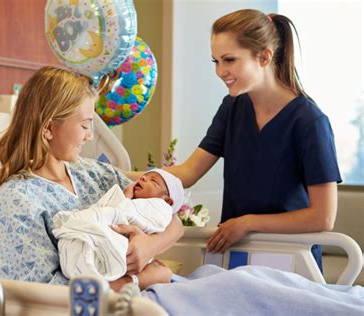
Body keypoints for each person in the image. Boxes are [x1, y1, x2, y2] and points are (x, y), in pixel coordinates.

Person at [127, 9, 341, 270]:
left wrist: (248, 223)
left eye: (229, 60)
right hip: (238, 254)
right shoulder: (233, 108)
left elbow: (323, 217)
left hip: (290, 258)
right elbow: (188, 172)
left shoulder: (309, 122)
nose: (220, 71)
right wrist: (113, 174)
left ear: (264, 57)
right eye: (215, 61)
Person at [0, 66, 181, 290]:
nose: (90, 135)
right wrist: (140, 279)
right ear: (48, 128)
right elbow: (45, 294)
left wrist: (150, 247)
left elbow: (171, 218)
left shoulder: (94, 174)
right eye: (84, 125)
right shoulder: (18, 201)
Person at [52, 169, 185, 281]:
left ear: (167, 200)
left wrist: (150, 245)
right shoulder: (132, 198)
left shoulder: (160, 207)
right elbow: (113, 211)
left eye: (153, 181)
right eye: (144, 176)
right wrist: (124, 198)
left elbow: (125, 214)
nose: (143, 178)